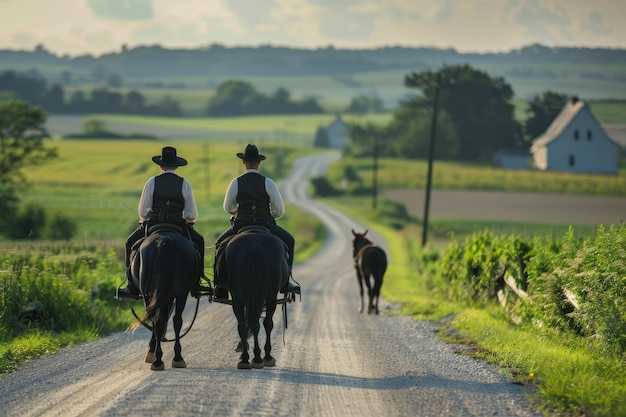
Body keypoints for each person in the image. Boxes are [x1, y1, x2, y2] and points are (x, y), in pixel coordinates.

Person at [116, 146, 207, 300]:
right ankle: (197, 281)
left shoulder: (152, 182)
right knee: (199, 242)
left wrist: (147, 218)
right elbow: (192, 214)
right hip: (178, 224)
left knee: (130, 243)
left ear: (161, 165)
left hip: (154, 224)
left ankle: (131, 285)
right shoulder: (184, 183)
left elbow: (143, 211)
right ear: (177, 166)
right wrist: (189, 221)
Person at [213, 144, 300, 299]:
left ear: (244, 162)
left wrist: (237, 212)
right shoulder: (268, 183)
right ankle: (286, 281)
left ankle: (220, 285)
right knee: (290, 241)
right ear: (259, 163)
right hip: (266, 224)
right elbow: (279, 210)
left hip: (241, 224)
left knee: (219, 244)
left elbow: (228, 207)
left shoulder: (236, 182)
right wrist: (269, 214)